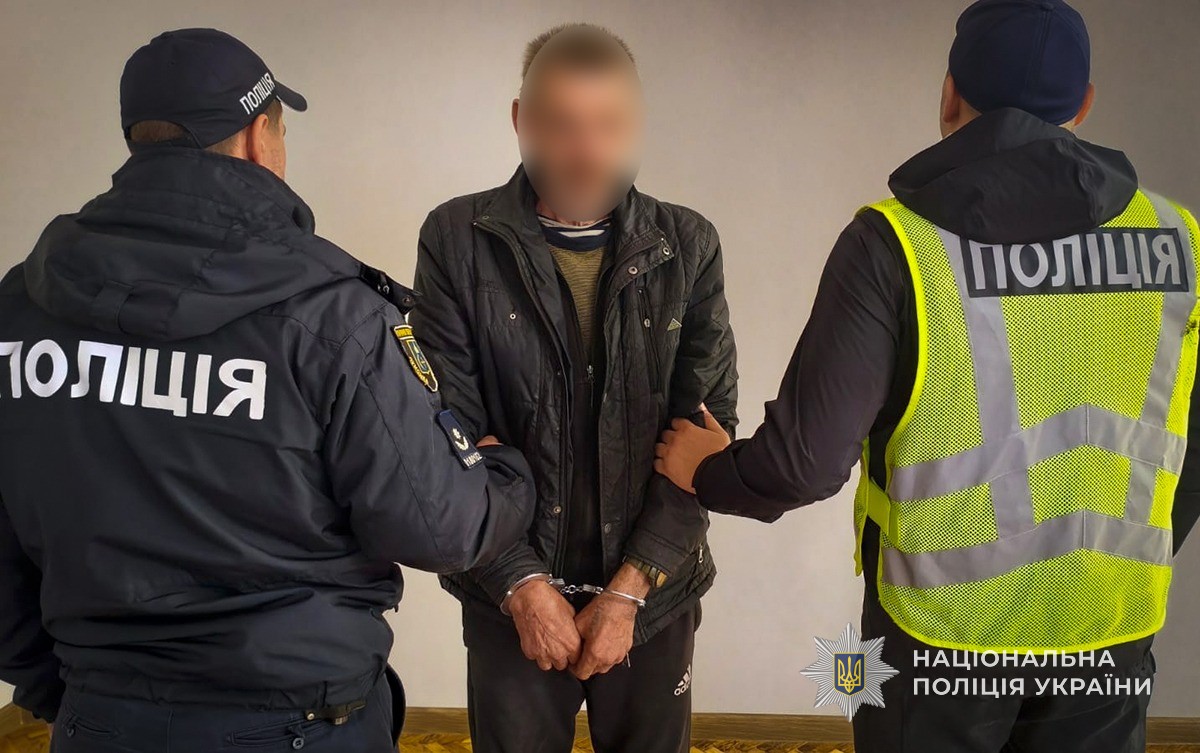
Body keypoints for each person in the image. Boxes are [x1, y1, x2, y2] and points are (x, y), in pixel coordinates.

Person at [653, 1, 1200, 751]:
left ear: (949, 96)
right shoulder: (1177, 239)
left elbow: (805, 463)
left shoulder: (895, 244)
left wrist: (708, 471)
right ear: (1083, 105)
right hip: (1110, 625)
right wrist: (1117, 565)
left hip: (942, 635)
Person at [0, 28, 536, 753]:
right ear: (259, 138)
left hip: (100, 717)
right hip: (294, 721)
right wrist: (504, 472)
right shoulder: (333, 314)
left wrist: (61, 692)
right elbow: (440, 530)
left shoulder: (21, 306)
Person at [411, 22, 738, 753]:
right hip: (508, 595)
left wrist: (629, 589)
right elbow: (443, 430)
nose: (587, 150)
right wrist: (520, 584)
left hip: (654, 593)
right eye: (561, 125)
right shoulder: (457, 238)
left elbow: (705, 436)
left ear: (637, 125)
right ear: (520, 121)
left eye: (608, 125)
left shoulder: (689, 245)